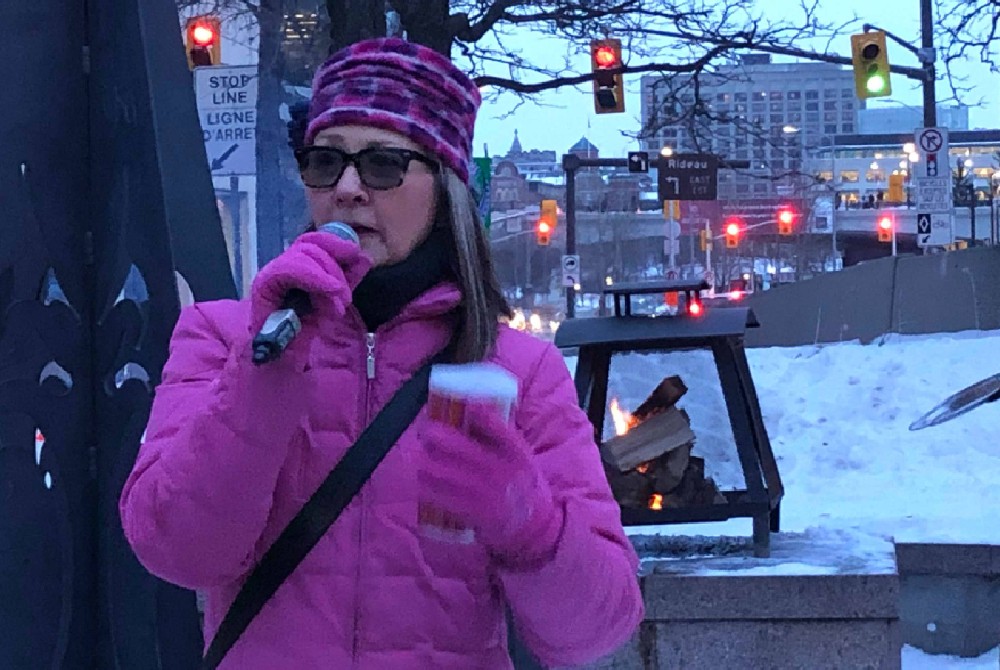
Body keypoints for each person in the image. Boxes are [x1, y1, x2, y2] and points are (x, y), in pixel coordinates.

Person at [120, 37, 643, 669]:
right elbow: (177, 550)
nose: (346, 189)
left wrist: (531, 526)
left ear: (444, 187)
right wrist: (264, 373)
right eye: (323, 162)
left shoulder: (518, 371)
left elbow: (596, 630)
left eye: (382, 166)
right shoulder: (223, 337)